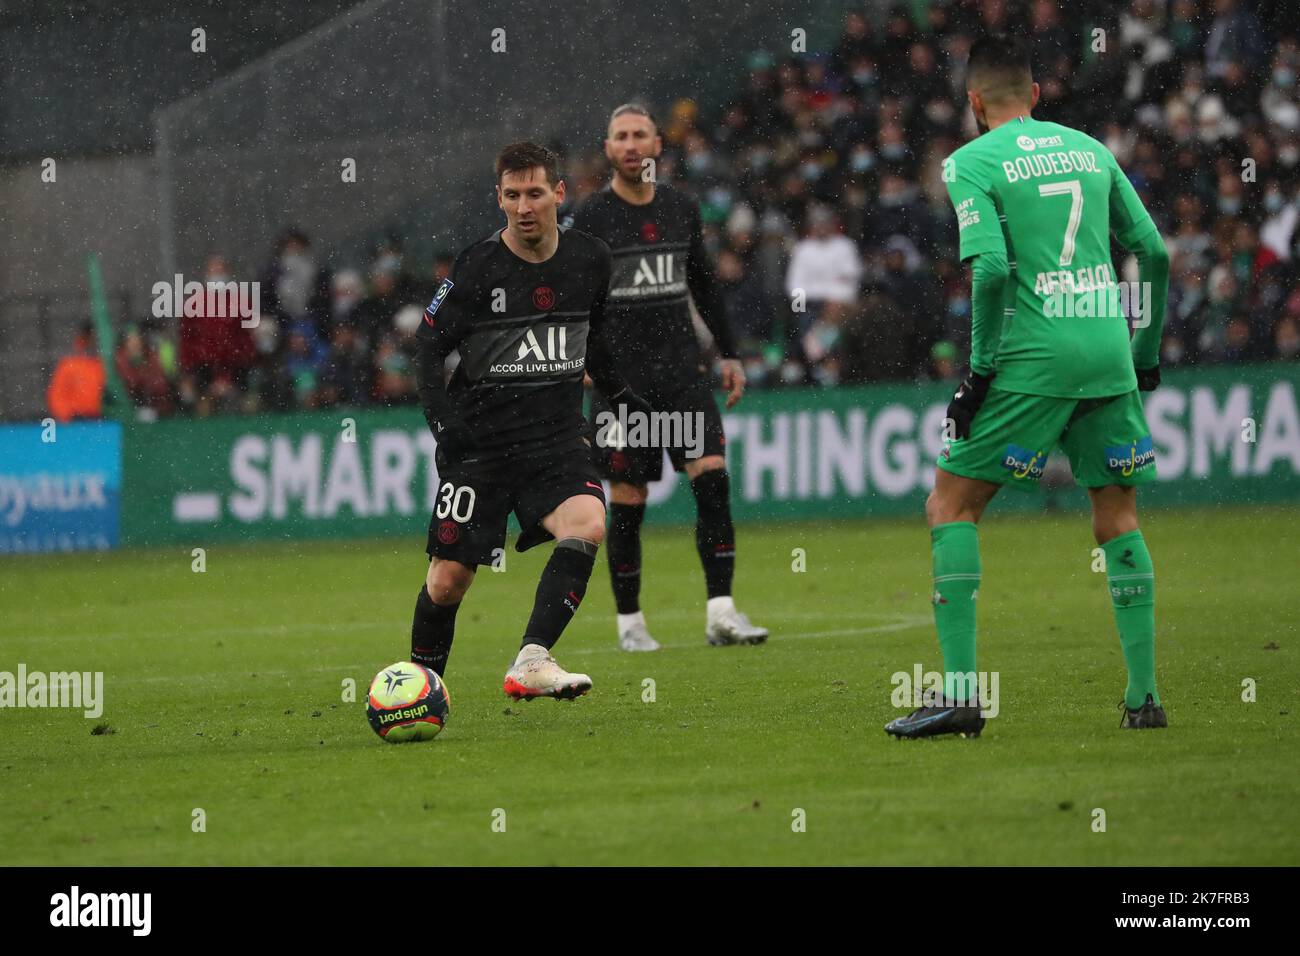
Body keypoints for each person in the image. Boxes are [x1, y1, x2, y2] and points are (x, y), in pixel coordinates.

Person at [885, 34, 1171, 739]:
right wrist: (1147, 348)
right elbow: (1155, 252)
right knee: (1117, 518)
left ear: (975, 102)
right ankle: (1144, 698)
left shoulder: (969, 161)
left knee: (950, 505)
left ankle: (960, 696)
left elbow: (988, 271)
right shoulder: (1091, 150)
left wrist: (981, 369)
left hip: (1035, 357)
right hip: (1107, 348)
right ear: (1036, 95)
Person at [410, 141, 650, 700]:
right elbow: (426, 349)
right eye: (512, 195)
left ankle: (533, 660)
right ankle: (422, 692)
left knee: (589, 521)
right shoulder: (475, 267)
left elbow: (596, 342)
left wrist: (624, 398)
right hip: (482, 445)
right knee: (448, 583)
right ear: (499, 199)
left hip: (555, 440)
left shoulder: (590, 259)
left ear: (558, 194)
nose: (524, 206)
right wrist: (444, 427)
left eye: (535, 193)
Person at [566, 103, 768, 652]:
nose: (630, 145)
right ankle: (630, 623)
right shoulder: (590, 218)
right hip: (618, 384)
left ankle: (721, 614)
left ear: (658, 144)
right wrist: (576, 357)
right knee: (629, 501)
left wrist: (728, 354)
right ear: (608, 149)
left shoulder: (681, 209)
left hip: (681, 374)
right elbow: (571, 295)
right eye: (620, 137)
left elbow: (704, 286)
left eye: (640, 135)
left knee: (713, 481)